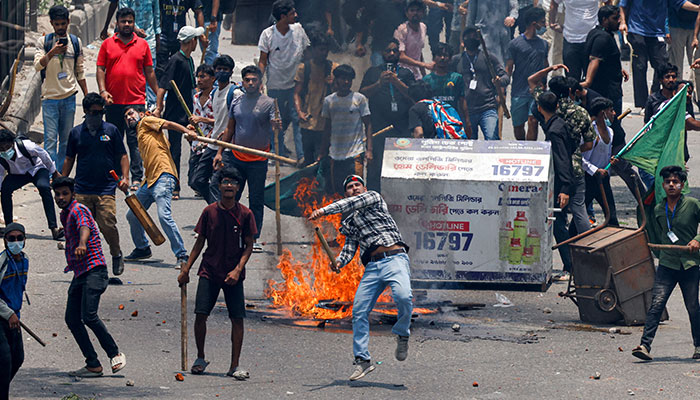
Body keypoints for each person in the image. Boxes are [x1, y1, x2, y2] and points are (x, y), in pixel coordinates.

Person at [309, 175, 412, 381]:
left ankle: (402, 333)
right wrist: (338, 262)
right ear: (345, 192)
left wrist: (322, 211)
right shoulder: (349, 222)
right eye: (349, 187)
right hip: (372, 267)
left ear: (365, 188)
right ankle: (362, 360)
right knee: (358, 311)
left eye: (357, 185)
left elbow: (353, 203)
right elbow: (349, 248)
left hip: (395, 259)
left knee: (403, 297)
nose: (354, 188)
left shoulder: (373, 198)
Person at [177, 167, 256, 379]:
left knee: (237, 318)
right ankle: (200, 357)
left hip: (233, 274)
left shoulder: (245, 214)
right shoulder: (209, 212)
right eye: (225, 182)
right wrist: (187, 269)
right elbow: (200, 242)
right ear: (219, 186)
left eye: (233, 182)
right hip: (209, 270)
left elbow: (249, 245)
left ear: (238, 188)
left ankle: (234, 365)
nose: (229, 185)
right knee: (200, 315)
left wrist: (238, 270)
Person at [52, 176, 126, 378]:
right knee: (72, 319)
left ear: (73, 194)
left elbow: (84, 226)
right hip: (80, 272)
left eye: (64, 193)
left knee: (89, 315)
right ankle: (92, 364)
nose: (60, 197)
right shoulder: (65, 215)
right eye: (57, 194)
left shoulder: (78, 209)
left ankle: (114, 353)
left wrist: (82, 243)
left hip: (95, 270)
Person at [632, 165, 700, 361]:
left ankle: (698, 346)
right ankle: (645, 346)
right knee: (656, 304)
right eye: (668, 182)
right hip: (667, 264)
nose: (671, 185)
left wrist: (698, 239)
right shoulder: (658, 208)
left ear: (682, 185)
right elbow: (648, 224)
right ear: (663, 185)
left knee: (693, 307)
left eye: (675, 182)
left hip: (689, 264)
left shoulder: (693, 204)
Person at [212, 66, 282, 253]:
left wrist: (276, 126)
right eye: (247, 80)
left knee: (256, 199)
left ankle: (254, 236)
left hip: (259, 159)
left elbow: (276, 130)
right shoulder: (236, 102)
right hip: (236, 157)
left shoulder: (269, 103)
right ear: (242, 82)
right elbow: (230, 129)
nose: (251, 83)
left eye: (254, 80)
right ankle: (227, 232)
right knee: (231, 195)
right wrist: (220, 152)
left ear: (260, 82)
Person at [528, 66, 593, 267]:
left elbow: (531, 80)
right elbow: (590, 143)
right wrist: (574, 150)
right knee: (580, 212)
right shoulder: (579, 112)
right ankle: (591, 250)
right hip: (576, 167)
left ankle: (574, 261)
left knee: (559, 220)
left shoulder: (552, 121)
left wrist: (550, 67)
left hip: (561, 173)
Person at [62, 93, 129, 281]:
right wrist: (61, 181)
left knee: (107, 223)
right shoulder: (76, 133)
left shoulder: (111, 130)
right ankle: (86, 266)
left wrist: (125, 177)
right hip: (82, 188)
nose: (98, 116)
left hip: (106, 188)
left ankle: (116, 254)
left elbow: (122, 156)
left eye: (101, 112)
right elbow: (69, 159)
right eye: (94, 112)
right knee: (83, 228)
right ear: (85, 112)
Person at [97, 7, 159, 190]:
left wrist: (159, 96)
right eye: (123, 21)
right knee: (114, 140)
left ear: (134, 22)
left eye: (130, 21)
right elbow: (100, 68)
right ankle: (116, 177)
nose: (126, 24)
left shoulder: (143, 45)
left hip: (136, 101)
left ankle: (137, 178)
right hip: (113, 102)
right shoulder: (107, 44)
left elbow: (149, 71)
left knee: (135, 142)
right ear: (117, 22)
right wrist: (102, 91)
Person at [122, 106, 192, 264]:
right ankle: (142, 248)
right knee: (132, 214)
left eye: (131, 114)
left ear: (141, 114)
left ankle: (182, 255)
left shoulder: (147, 121)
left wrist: (187, 132)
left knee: (164, 216)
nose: (128, 117)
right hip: (149, 181)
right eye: (126, 117)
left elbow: (168, 124)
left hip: (163, 176)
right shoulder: (141, 134)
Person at [33, 5, 87, 172]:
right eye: (57, 24)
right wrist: (52, 52)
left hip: (69, 98)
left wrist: (86, 95)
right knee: (50, 140)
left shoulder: (75, 42)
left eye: (63, 24)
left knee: (65, 140)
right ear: (51, 24)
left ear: (68, 22)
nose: (60, 27)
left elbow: (80, 70)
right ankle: (51, 174)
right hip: (50, 99)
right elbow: (37, 66)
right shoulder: (44, 42)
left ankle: (62, 175)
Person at [155, 25, 206, 200]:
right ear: (191, 41)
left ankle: (198, 182)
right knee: (175, 149)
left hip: (190, 111)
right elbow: (163, 86)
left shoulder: (189, 60)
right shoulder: (175, 60)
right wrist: (158, 108)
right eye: (196, 40)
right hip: (175, 113)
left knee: (199, 145)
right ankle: (174, 186)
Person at [359, 39, 415, 192]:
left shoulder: (406, 73)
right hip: (379, 128)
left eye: (395, 51)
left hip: (402, 129)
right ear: (382, 54)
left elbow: (414, 96)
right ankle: (373, 199)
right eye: (388, 51)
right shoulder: (373, 72)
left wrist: (397, 82)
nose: (391, 53)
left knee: (402, 167)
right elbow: (362, 94)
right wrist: (379, 83)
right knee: (376, 167)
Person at [258, 0, 310, 162]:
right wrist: (260, 81)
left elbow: (307, 53)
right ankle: (277, 152)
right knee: (277, 120)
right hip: (275, 84)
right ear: (282, 16)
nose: (296, 15)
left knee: (297, 119)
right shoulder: (267, 34)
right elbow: (263, 60)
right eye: (292, 13)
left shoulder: (299, 30)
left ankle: (301, 155)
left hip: (295, 85)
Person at [537, 91, 576, 277]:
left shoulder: (554, 130)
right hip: (562, 182)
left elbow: (562, 160)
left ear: (539, 108)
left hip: (561, 185)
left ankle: (570, 265)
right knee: (560, 225)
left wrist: (565, 188)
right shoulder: (560, 124)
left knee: (559, 226)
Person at [0, 129, 63, 240]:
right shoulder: (1, 156)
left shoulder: (27, 146)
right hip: (17, 174)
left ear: (12, 143)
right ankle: (9, 227)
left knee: (44, 187)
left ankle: (54, 228)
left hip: (36, 169)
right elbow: (0, 174)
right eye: (1, 149)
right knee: (5, 190)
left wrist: (54, 172)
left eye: (7, 147)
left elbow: (44, 155)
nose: (5, 150)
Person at [195, 55, 240, 204]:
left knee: (216, 184)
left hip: (226, 147)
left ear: (231, 72)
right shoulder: (214, 93)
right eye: (219, 69)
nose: (222, 72)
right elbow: (218, 121)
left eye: (225, 69)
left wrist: (221, 151)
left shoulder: (234, 93)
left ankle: (219, 216)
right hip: (212, 144)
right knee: (197, 180)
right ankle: (218, 209)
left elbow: (234, 123)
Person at [321, 65, 372, 195]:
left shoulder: (359, 99)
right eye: (343, 78)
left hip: (355, 154)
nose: (346, 82)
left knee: (356, 193)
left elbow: (368, 124)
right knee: (339, 193)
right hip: (335, 155)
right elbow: (327, 129)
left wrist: (369, 150)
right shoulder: (329, 101)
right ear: (336, 79)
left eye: (349, 79)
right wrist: (322, 152)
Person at [455, 27, 509, 140]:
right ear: (463, 41)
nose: (471, 39)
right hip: (466, 111)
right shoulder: (456, 60)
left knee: (491, 139)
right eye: (468, 37)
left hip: (487, 107)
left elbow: (505, 77)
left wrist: (499, 81)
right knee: (469, 144)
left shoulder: (488, 58)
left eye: (474, 36)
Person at [293, 28, 337, 167]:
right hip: (308, 122)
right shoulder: (304, 68)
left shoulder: (334, 68)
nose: (323, 53)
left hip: (326, 124)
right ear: (313, 50)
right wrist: (299, 112)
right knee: (308, 159)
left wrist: (333, 85)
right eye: (320, 49)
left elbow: (340, 95)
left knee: (322, 160)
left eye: (325, 50)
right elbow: (297, 93)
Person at [506, 6, 549, 140]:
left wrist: (544, 84)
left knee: (533, 121)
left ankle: (532, 151)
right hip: (519, 90)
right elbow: (509, 68)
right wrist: (502, 87)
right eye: (542, 22)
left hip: (536, 91)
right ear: (534, 24)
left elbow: (545, 65)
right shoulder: (515, 44)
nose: (545, 25)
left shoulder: (544, 44)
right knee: (518, 125)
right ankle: (521, 149)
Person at [619, 0, 670, 109]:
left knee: (662, 64)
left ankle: (654, 93)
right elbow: (623, 5)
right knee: (640, 67)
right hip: (637, 29)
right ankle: (644, 104)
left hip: (657, 31)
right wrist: (623, 22)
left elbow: (678, 4)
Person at [0, 223, 28, 399]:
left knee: (18, 358)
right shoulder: (2, 262)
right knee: (4, 362)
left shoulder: (24, 260)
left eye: (19, 238)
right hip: (3, 316)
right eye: (12, 239)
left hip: (13, 317)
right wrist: (8, 313)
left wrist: (15, 314)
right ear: (5, 241)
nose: (16, 242)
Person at [581, 97, 619, 227]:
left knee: (611, 215)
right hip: (589, 179)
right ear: (603, 113)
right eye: (611, 110)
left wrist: (611, 161)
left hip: (603, 179)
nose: (614, 114)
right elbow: (579, 157)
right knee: (580, 215)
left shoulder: (611, 132)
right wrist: (595, 170)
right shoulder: (590, 132)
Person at [551, 0, 611, 81]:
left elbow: (608, 3)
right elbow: (554, 4)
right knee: (571, 79)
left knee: (592, 78)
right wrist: (552, 22)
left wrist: (605, 25)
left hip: (592, 39)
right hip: (570, 39)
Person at [117, 0, 161, 107]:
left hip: (149, 37)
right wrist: (135, 30)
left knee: (150, 70)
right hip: (128, 37)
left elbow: (157, 15)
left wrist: (157, 35)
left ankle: (152, 103)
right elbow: (123, 14)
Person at [156, 0, 206, 79]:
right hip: (163, 35)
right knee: (162, 69)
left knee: (179, 66)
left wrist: (201, 33)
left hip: (181, 37)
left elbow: (199, 11)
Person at [187, 64, 217, 200]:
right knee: (192, 181)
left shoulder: (217, 97)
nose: (199, 80)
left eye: (203, 77)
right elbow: (194, 118)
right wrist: (190, 128)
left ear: (212, 79)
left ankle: (214, 201)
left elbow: (220, 122)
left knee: (200, 179)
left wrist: (202, 119)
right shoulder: (195, 97)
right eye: (198, 77)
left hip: (211, 143)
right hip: (197, 143)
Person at [422, 43, 468, 123]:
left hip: (452, 120)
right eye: (439, 55)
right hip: (434, 121)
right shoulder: (427, 80)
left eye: (445, 55)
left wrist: (467, 121)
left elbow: (462, 100)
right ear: (434, 58)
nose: (442, 58)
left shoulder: (456, 78)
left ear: (450, 59)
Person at [467, 0, 519, 65]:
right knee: (482, 61)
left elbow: (514, 7)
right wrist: (468, 33)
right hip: (482, 34)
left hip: (501, 34)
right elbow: (471, 13)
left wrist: (512, 17)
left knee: (502, 64)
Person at [355, 0, 406, 66]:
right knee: (379, 72)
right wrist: (360, 43)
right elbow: (364, 21)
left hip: (398, 52)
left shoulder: (406, 8)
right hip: (379, 48)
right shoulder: (379, 4)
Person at [394, 0, 433, 80]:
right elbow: (401, 56)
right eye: (412, 10)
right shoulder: (402, 30)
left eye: (418, 10)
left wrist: (424, 75)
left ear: (423, 13)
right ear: (407, 13)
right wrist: (423, 65)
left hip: (417, 73)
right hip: (402, 73)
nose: (415, 13)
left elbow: (419, 52)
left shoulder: (423, 27)